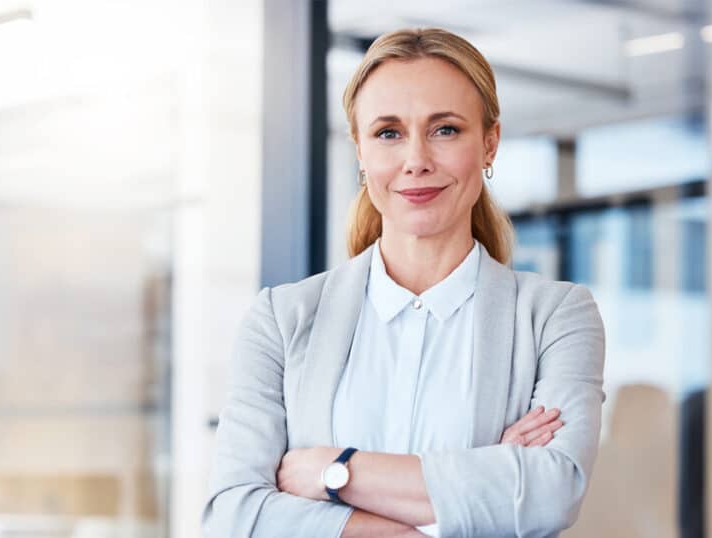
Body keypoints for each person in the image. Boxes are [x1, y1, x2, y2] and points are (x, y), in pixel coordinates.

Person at [202, 27, 606, 538]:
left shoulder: (556, 316)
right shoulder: (280, 320)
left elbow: (549, 493)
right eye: (388, 133)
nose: (416, 159)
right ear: (360, 150)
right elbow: (235, 516)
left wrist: (331, 471)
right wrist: (478, 485)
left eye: (445, 130)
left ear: (490, 142)